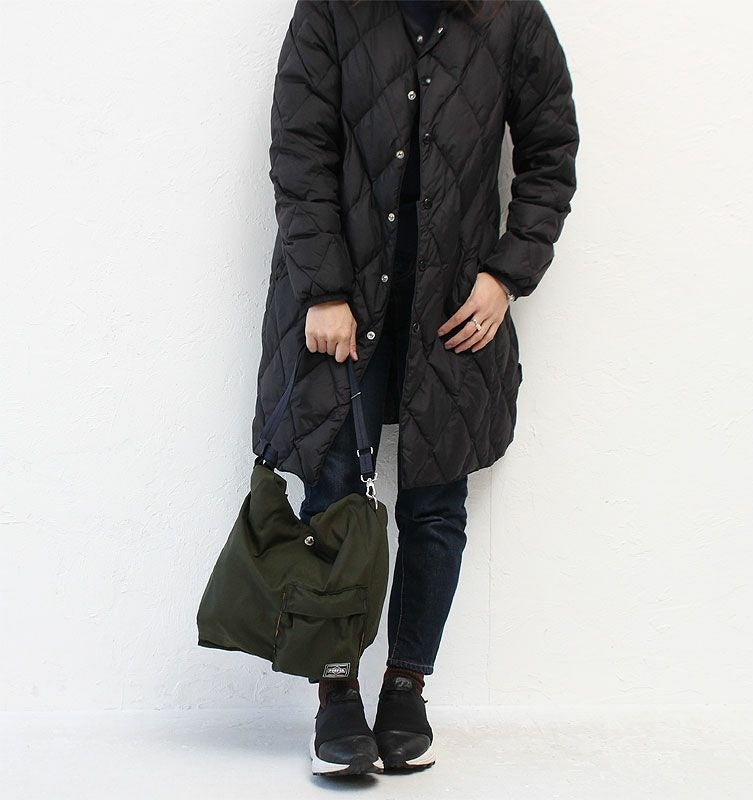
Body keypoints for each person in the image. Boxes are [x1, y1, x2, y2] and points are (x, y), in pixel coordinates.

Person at [255, 0, 579, 777]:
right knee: (334, 494)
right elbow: (299, 147)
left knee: (436, 502)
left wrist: (506, 275)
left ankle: (406, 688)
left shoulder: (511, 16)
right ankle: (336, 696)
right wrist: (323, 289)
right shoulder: (332, 9)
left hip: (451, 308)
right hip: (342, 302)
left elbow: (551, 150)